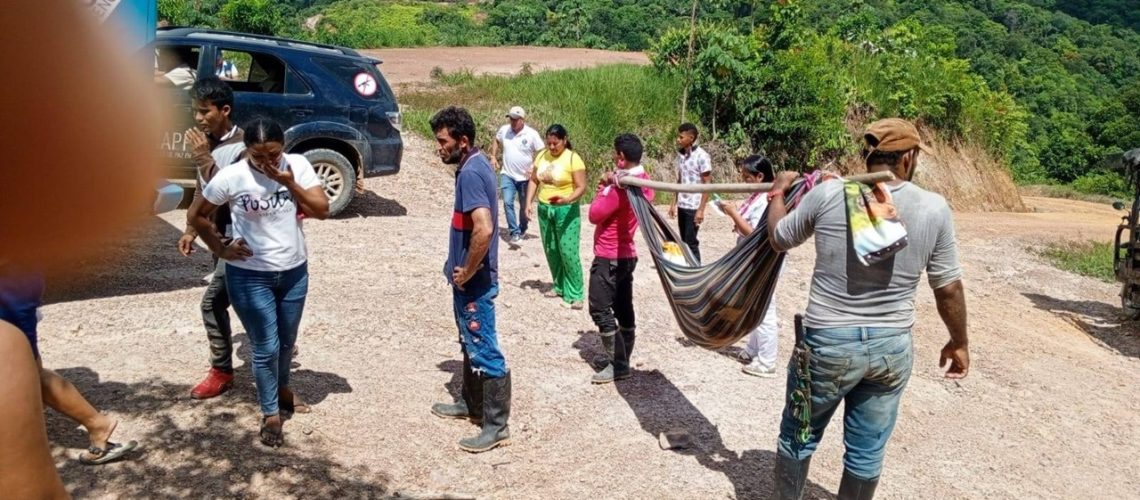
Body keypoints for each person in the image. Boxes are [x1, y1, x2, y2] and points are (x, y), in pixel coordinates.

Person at [766, 118, 970, 499]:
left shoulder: (829, 195)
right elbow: (948, 288)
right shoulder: (934, 207)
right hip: (891, 349)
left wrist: (777, 193)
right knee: (866, 453)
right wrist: (959, 342)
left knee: (798, 438)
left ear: (868, 156)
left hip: (827, 344)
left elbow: (779, 239)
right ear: (908, 158)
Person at [188, 118, 330, 447]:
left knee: (285, 341)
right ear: (247, 151)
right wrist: (220, 247)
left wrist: (288, 182)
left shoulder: (297, 166)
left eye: (274, 155)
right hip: (250, 274)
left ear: (284, 149)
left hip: (294, 272)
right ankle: (271, 414)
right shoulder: (233, 175)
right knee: (265, 346)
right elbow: (196, 215)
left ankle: (281, 391)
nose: (267, 162)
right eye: (258, 156)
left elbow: (322, 209)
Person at [428, 106, 512, 453]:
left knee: (485, 348)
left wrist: (469, 269)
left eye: (443, 141)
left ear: (463, 140)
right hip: (466, 280)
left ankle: (496, 426)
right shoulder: (472, 165)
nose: (439, 147)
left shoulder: (472, 173)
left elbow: (485, 228)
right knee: (468, 341)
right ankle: (470, 403)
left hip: (474, 283)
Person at [0, 264, 139, 465]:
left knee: (25, 370)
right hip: (15, 282)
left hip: (9, 286)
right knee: (25, 370)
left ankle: (97, 425)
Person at [177, 77, 247, 400]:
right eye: (196, 112)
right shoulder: (205, 142)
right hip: (218, 240)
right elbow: (204, 192)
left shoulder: (245, 147)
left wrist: (205, 158)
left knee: (213, 302)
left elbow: (231, 192)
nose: (199, 119)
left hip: (241, 242)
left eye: (205, 112)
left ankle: (221, 371)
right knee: (235, 303)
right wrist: (191, 229)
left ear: (225, 110)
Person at [587, 134, 654, 384]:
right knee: (623, 306)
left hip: (609, 256)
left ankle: (619, 363)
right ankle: (622, 356)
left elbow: (595, 214)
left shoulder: (620, 188)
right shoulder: (644, 182)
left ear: (621, 157)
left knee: (600, 307)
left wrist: (603, 190)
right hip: (628, 256)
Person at [719, 154, 781, 378]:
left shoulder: (767, 200)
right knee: (754, 305)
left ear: (760, 176)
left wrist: (733, 214)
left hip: (762, 261)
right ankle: (753, 349)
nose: (744, 181)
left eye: (747, 177)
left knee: (765, 309)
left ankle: (767, 360)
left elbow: (754, 234)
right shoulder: (759, 197)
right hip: (753, 260)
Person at [525, 124, 587, 309]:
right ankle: (559, 285)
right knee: (551, 248)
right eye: (549, 143)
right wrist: (528, 202)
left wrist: (567, 200)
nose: (552, 147)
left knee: (568, 250)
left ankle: (576, 292)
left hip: (566, 209)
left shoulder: (573, 159)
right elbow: (534, 180)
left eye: (556, 143)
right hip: (545, 208)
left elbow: (581, 186)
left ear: (564, 140)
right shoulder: (541, 156)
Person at [491, 106, 543, 245]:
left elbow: (541, 151)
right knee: (507, 202)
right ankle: (514, 232)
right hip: (507, 174)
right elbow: (496, 139)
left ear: (522, 120)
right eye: (511, 119)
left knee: (524, 205)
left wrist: (534, 167)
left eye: (515, 119)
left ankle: (522, 227)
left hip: (525, 178)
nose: (512, 122)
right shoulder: (504, 130)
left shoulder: (531, 134)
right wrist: (493, 156)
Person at [669, 123, 713, 264]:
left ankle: (695, 267)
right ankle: (688, 265)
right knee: (683, 239)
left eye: (681, 137)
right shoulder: (682, 155)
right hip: (683, 203)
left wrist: (701, 210)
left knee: (691, 240)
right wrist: (673, 203)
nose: (678, 140)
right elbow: (680, 179)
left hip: (693, 206)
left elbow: (707, 184)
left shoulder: (702, 156)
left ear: (691, 138)